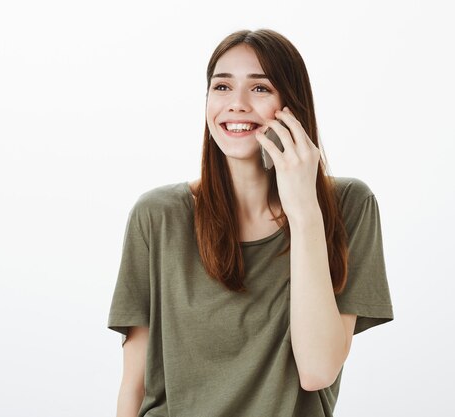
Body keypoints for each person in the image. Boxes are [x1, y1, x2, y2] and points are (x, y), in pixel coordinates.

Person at [107, 28, 394, 417]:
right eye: (222, 87)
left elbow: (317, 370)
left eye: (260, 89)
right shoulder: (157, 216)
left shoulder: (349, 206)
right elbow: (133, 386)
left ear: (291, 105)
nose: (236, 104)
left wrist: (304, 211)